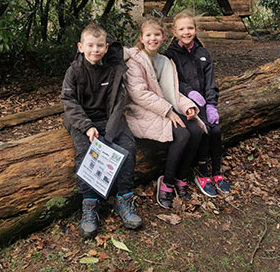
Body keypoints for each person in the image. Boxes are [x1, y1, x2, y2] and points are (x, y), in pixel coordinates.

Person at [61, 23, 142, 239]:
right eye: (90, 45)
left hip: (109, 119)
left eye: (99, 46)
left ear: (106, 48)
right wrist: (87, 128)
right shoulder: (74, 71)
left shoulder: (113, 69)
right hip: (81, 120)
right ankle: (90, 204)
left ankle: (124, 199)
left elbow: (118, 103)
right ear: (81, 46)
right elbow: (68, 101)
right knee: (85, 152)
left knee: (126, 147)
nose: (95, 50)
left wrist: (111, 134)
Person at [124, 18, 207, 209]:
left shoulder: (164, 61)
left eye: (156, 35)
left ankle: (181, 176)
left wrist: (187, 106)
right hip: (141, 110)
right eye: (148, 35)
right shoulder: (135, 60)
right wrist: (168, 111)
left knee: (195, 130)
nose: (153, 39)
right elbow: (139, 93)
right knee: (183, 133)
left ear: (163, 37)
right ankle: (167, 181)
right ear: (141, 38)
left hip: (163, 107)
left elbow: (171, 90)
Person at [165, 11, 231, 198]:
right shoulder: (170, 55)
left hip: (204, 102)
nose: (187, 32)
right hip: (186, 104)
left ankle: (216, 172)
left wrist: (211, 104)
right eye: (182, 29)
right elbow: (172, 81)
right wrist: (189, 92)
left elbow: (211, 81)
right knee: (203, 130)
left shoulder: (203, 53)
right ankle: (203, 173)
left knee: (216, 130)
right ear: (175, 32)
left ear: (196, 29)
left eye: (190, 28)